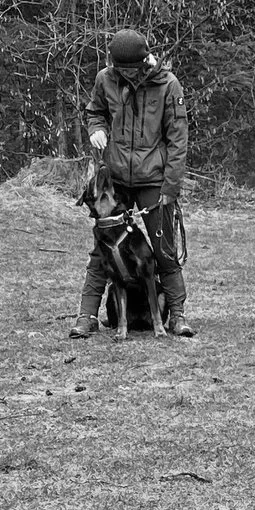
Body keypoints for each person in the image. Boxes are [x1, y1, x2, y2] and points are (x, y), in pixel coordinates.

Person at [69, 28, 195, 339]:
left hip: (154, 180)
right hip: (115, 183)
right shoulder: (105, 79)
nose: (121, 73)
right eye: (117, 68)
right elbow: (94, 111)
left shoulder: (168, 85)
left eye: (127, 69)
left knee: (164, 250)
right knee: (103, 252)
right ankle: (87, 316)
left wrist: (170, 188)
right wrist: (96, 128)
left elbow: (178, 141)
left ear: (143, 62)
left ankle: (176, 315)